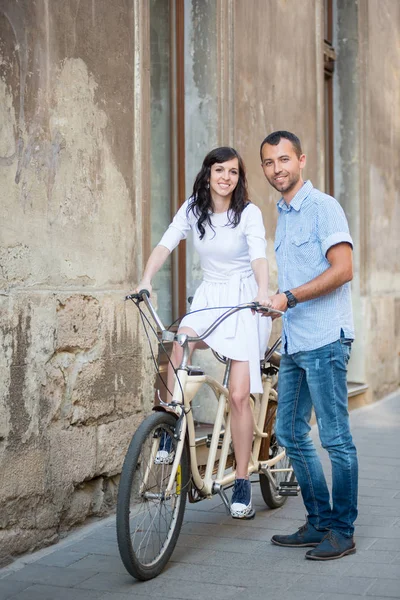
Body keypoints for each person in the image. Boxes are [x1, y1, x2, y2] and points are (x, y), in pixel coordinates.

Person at [134, 146, 272, 519]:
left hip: (245, 301)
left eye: (233, 172)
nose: (225, 177)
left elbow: (258, 254)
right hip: (212, 294)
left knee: (240, 396)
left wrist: (263, 290)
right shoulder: (194, 209)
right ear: (208, 173)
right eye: (219, 170)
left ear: (239, 178)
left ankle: (242, 480)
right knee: (178, 342)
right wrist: (146, 279)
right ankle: (168, 421)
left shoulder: (249, 213)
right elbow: (166, 242)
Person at [260, 130, 358, 560]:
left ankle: (342, 530)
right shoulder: (283, 213)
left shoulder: (323, 207)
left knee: (335, 439)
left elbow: (343, 269)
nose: (276, 168)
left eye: (284, 159)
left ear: (302, 160)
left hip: (325, 339)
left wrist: (290, 296)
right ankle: (318, 521)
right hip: (297, 340)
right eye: (268, 162)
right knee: (289, 432)